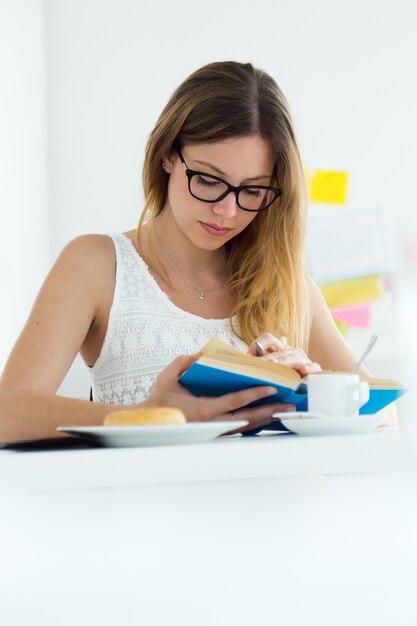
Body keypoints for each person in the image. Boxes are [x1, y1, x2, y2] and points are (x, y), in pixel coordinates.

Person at [0, 61, 396, 441]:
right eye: (208, 180)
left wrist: (315, 390)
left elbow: (385, 416)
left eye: (253, 191)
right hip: (140, 508)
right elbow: (8, 414)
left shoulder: (287, 284)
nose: (227, 211)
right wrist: (146, 417)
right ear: (168, 155)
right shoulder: (97, 265)